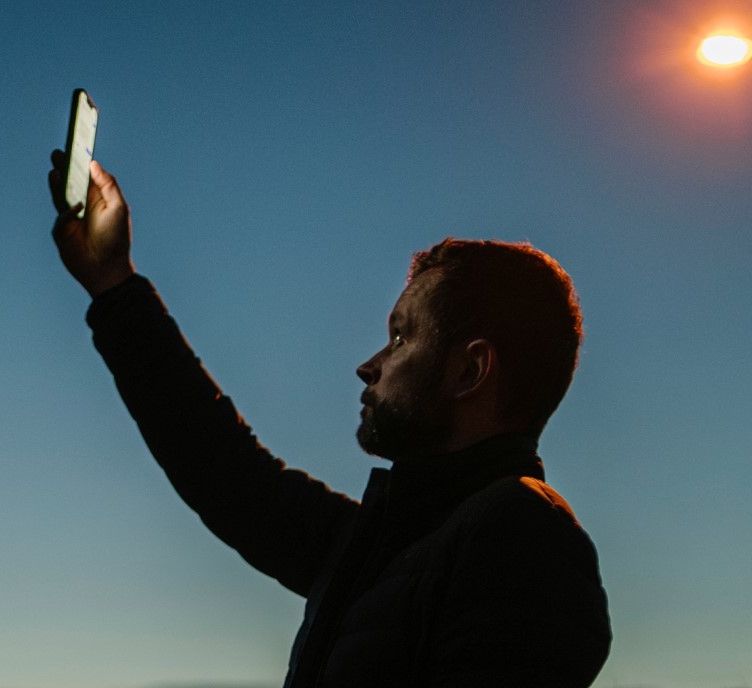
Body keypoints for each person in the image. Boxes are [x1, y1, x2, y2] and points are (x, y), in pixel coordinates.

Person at [47, 152, 612, 687]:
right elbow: (225, 471)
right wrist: (113, 283)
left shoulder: (523, 538)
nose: (369, 365)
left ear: (469, 371)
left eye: (401, 337)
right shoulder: (382, 544)